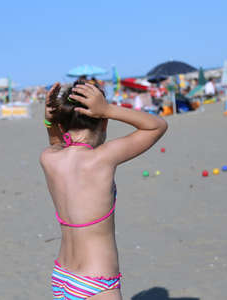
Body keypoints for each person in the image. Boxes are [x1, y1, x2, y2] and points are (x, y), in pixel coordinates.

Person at [41, 80, 167, 299]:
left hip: (62, 275)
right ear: (104, 123)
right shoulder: (102, 158)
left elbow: (56, 142)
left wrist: (50, 122)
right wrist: (109, 109)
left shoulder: (49, 159)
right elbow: (157, 125)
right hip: (96, 278)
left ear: (61, 125)